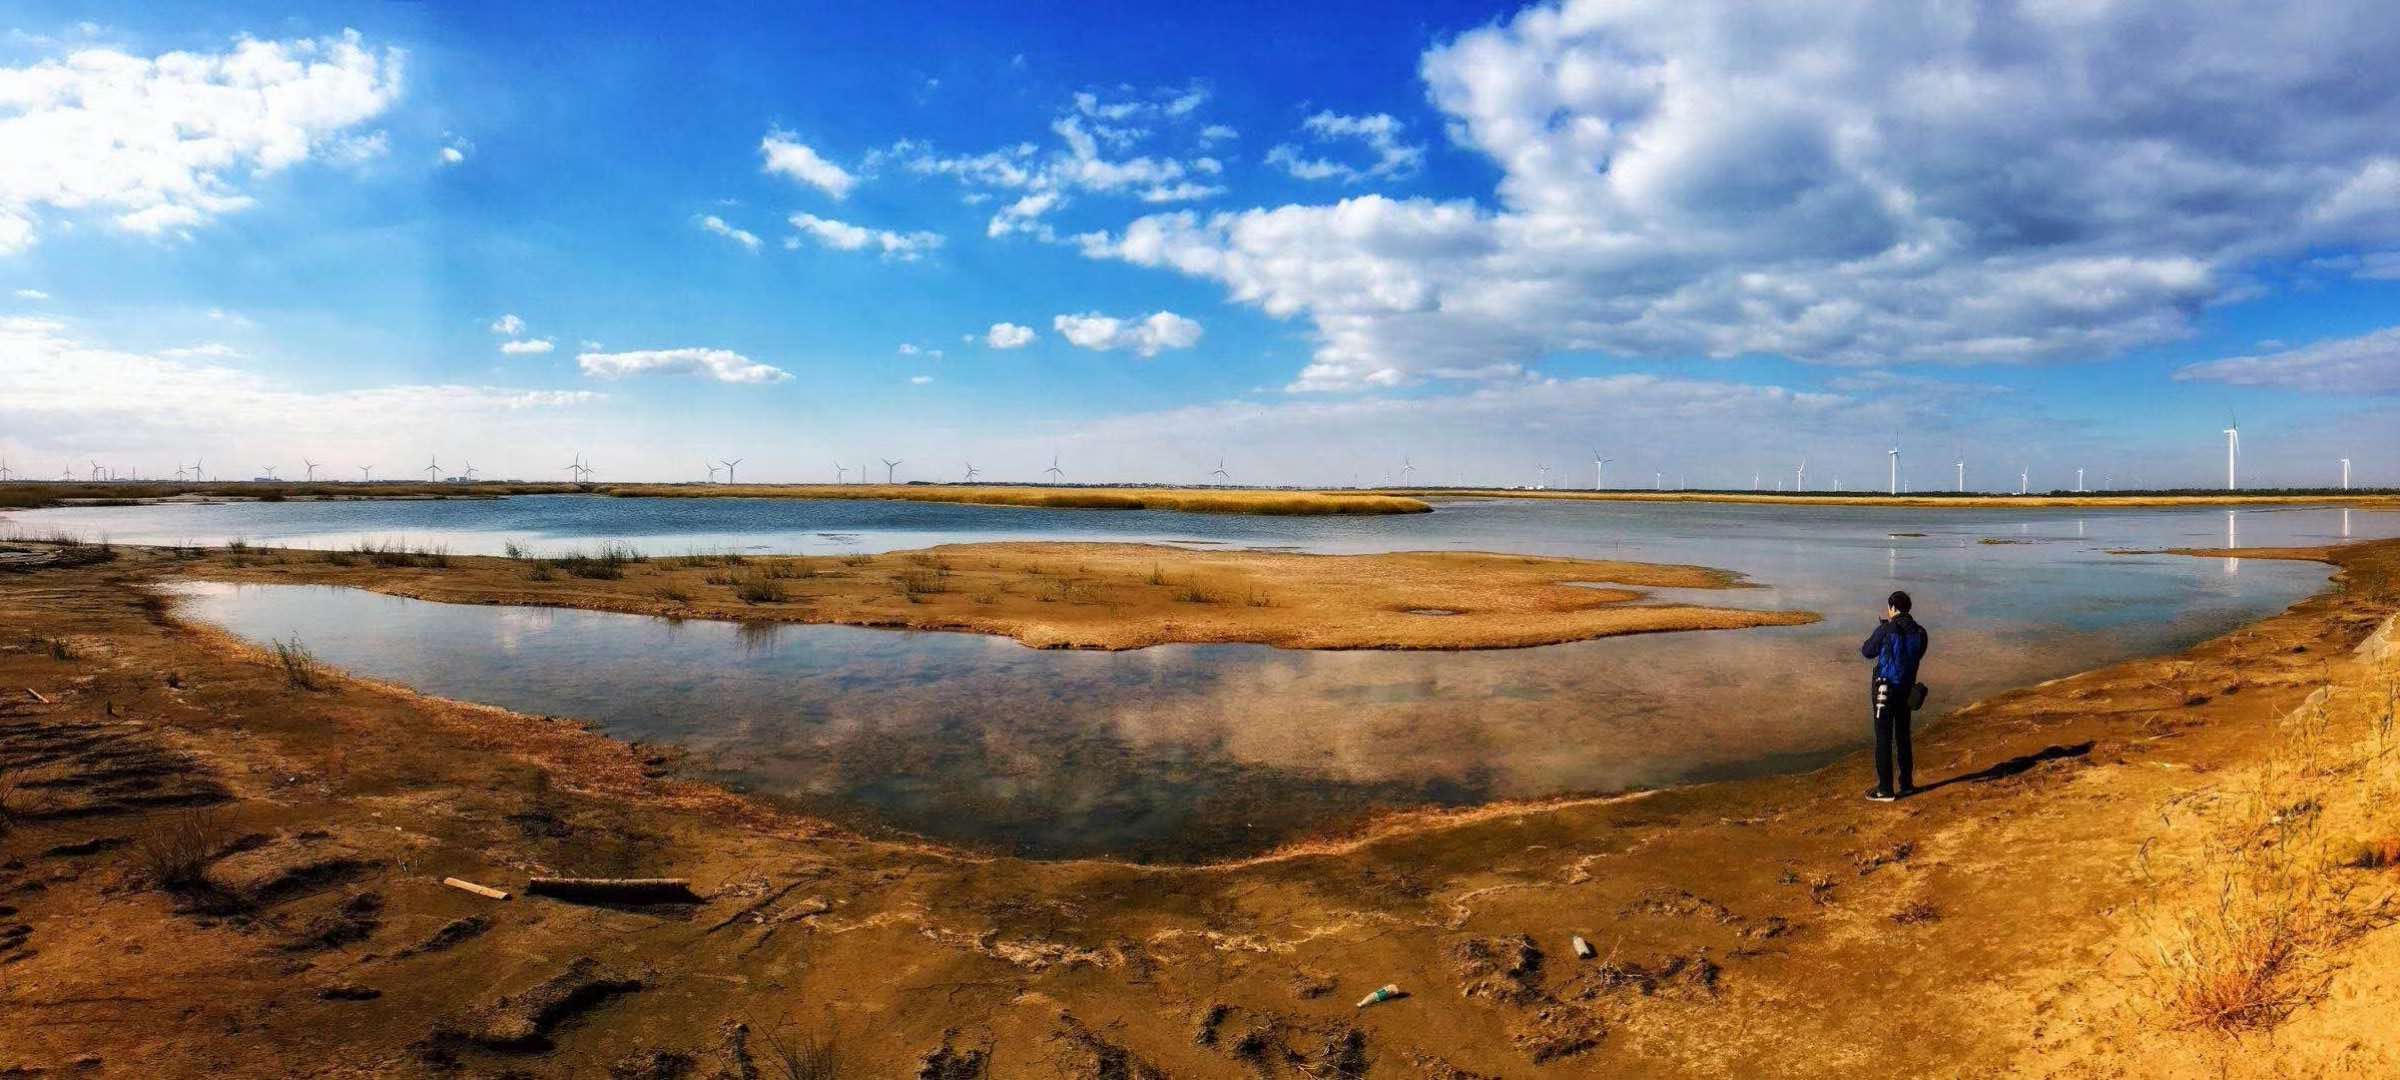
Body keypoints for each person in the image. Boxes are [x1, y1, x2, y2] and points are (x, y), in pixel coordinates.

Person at [1859, 590, 1929, 802]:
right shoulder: (1920, 632)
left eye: (1889, 608)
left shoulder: (1886, 629)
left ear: (1893, 608)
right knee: (1903, 737)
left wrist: (1883, 635)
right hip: (1907, 691)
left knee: (1883, 739)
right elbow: (1917, 654)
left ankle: (1885, 789)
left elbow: (1867, 651)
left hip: (1885, 690)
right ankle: (1906, 784)